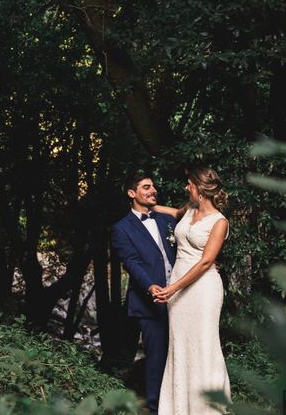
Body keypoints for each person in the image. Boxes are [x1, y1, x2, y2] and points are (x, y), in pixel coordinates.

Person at [152, 166, 232, 415]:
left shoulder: (219, 222)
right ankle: (178, 408)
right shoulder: (190, 209)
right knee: (180, 344)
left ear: (200, 189)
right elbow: (175, 213)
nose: (186, 187)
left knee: (203, 344)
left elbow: (206, 262)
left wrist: (172, 288)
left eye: (189, 184)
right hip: (178, 286)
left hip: (202, 289)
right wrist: (146, 208)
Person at [110, 173, 178, 415]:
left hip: (181, 297)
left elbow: (188, 219)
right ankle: (156, 408)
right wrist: (150, 286)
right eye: (146, 187)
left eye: (154, 187)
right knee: (157, 359)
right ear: (131, 193)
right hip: (150, 302)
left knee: (182, 354)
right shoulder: (121, 228)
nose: (153, 190)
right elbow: (131, 262)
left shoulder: (166, 220)